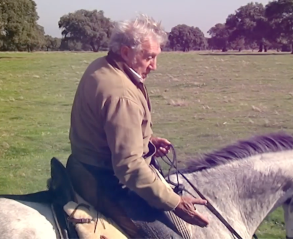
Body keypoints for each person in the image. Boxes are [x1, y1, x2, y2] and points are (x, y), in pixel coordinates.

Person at [65, 13, 209, 238]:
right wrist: (176, 203)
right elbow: (128, 166)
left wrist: (145, 140)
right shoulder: (122, 93)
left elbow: (106, 127)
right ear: (126, 52)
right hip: (105, 182)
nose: (155, 66)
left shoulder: (102, 65)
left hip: (83, 165)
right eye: (149, 57)